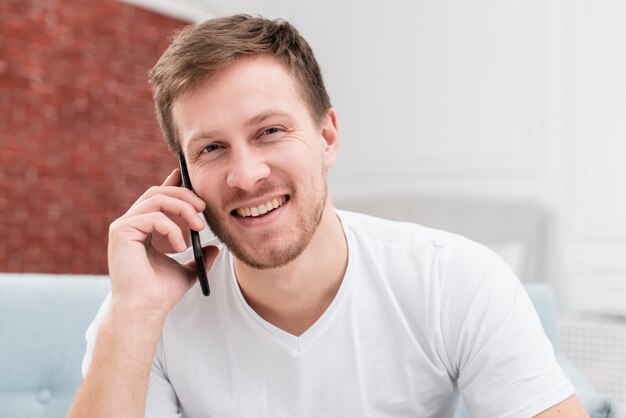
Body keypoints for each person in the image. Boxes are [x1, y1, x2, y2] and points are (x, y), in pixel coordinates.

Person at [67, 14, 589, 418]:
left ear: (327, 137)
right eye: (211, 149)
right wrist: (134, 315)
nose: (246, 175)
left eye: (270, 131)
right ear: (182, 176)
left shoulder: (452, 279)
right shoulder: (144, 314)